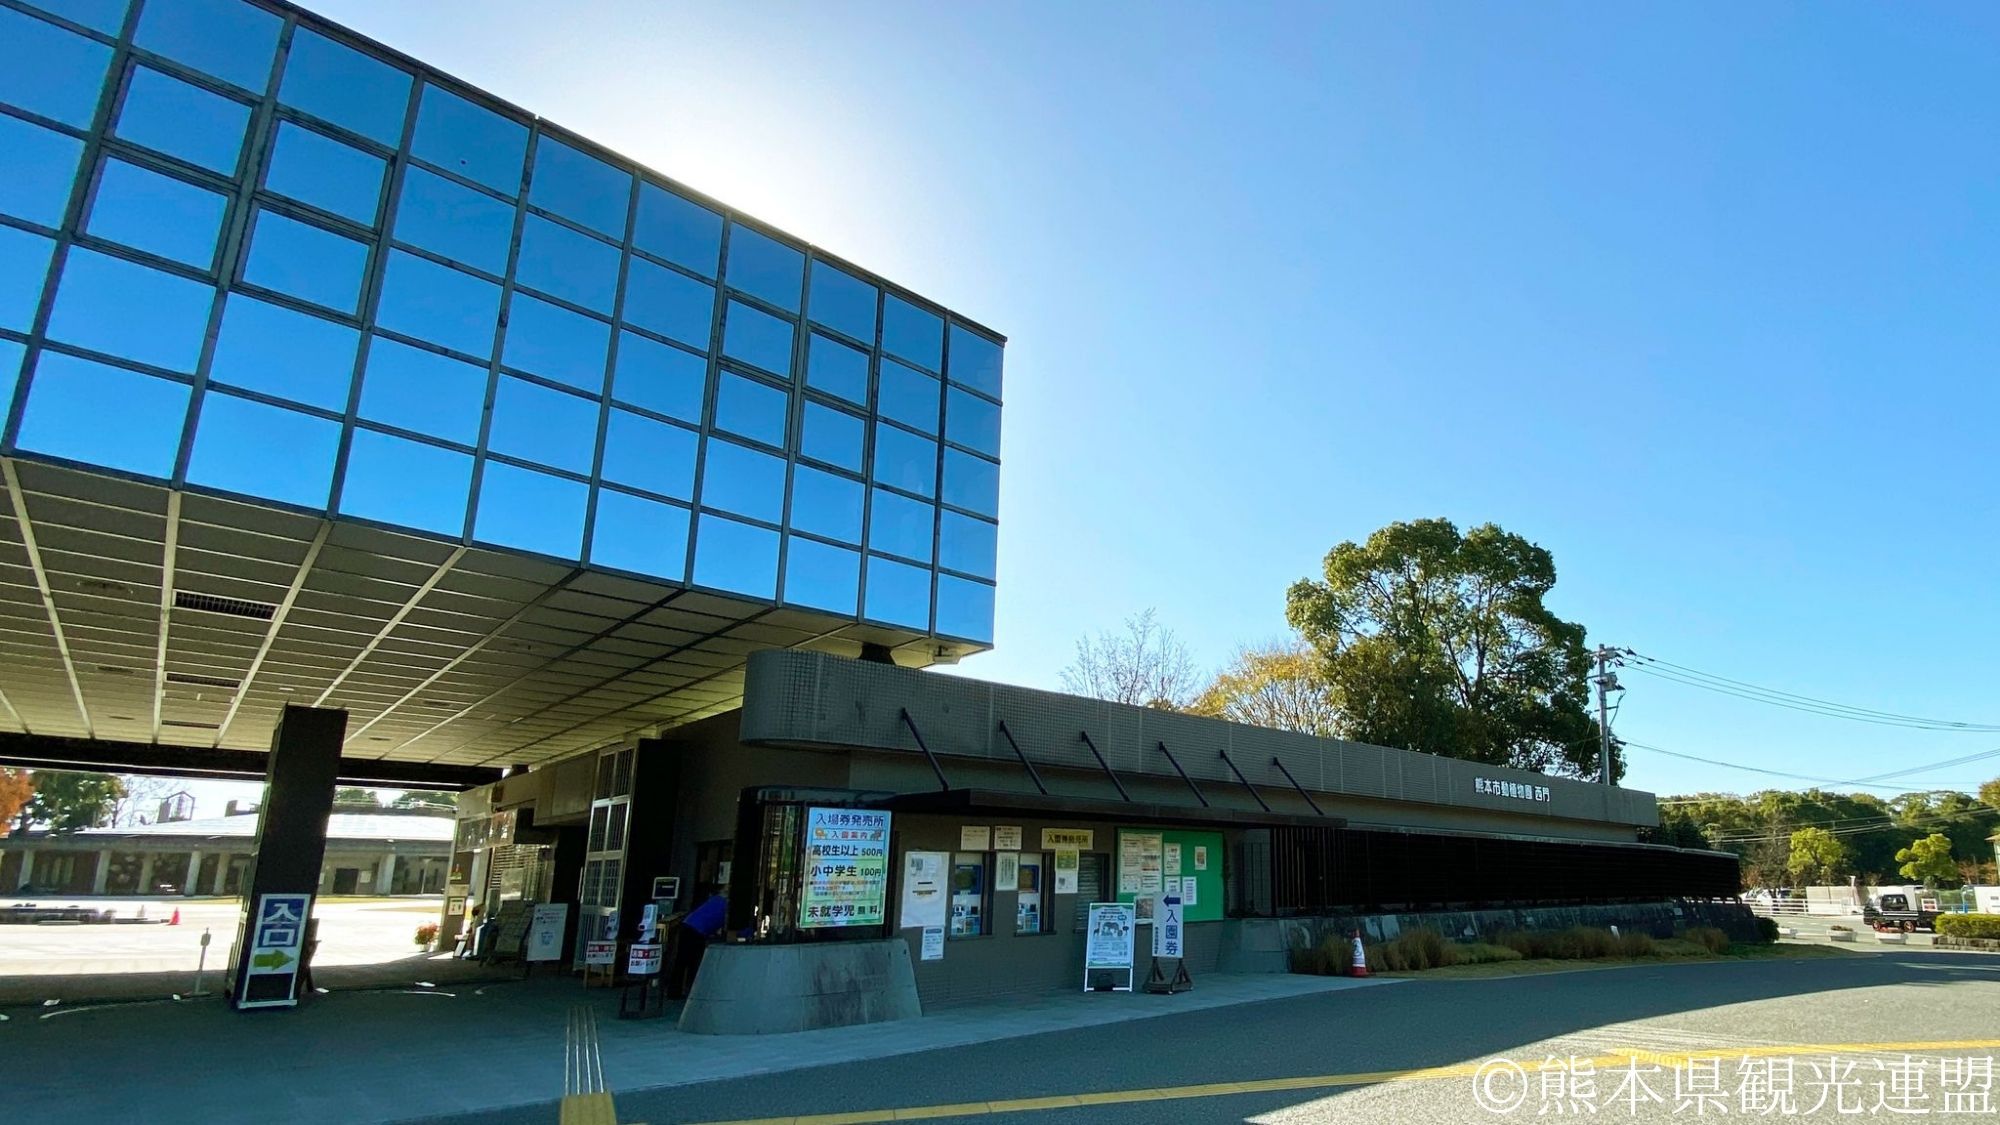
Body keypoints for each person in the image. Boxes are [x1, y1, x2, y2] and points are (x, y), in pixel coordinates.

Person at [669, 885, 726, 997]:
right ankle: (691, 990)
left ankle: (675, 991)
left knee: (682, 961)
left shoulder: (715, 900)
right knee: (693, 962)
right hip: (697, 931)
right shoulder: (726, 905)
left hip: (688, 925)